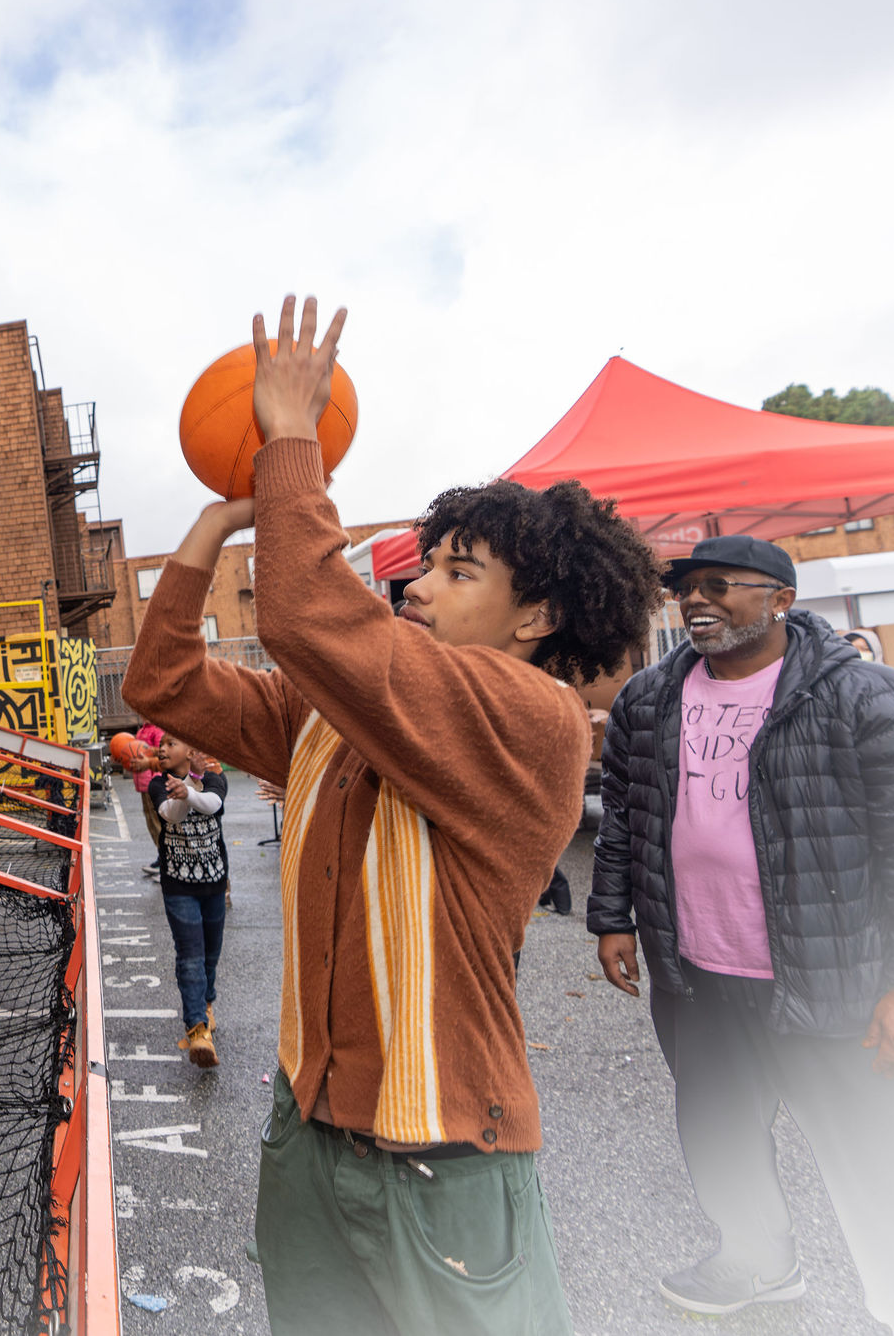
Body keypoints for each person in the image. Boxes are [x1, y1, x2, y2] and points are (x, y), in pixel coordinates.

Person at [123, 296, 663, 1336]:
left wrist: (291, 438)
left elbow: (305, 613)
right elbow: (164, 681)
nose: (419, 585)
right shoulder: (337, 714)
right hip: (308, 1134)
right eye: (427, 562)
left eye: (460, 573)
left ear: (537, 617)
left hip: (440, 1156)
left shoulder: (533, 718)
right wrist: (213, 525)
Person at [588, 534, 894, 1326]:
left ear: (781, 598)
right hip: (698, 972)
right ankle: (757, 1260)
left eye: (720, 585)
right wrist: (611, 916)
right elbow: (626, 820)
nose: (696, 599)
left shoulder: (865, 697)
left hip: (832, 976)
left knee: (877, 1154)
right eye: (687, 588)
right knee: (719, 1131)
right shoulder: (649, 698)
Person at [148, 732, 229, 1067]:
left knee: (210, 955)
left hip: (214, 884)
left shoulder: (215, 778)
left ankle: (206, 1004)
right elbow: (173, 815)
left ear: (190, 750)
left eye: (170, 744)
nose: (162, 749)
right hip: (179, 887)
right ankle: (197, 1030)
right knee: (191, 956)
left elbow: (213, 804)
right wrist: (183, 792)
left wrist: (192, 785)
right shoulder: (158, 784)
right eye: (161, 745)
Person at [131, 722, 165, 877]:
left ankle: (166, 861)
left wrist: (149, 754)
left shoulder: (158, 730)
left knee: (158, 823)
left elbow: (163, 754)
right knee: (151, 822)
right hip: (143, 783)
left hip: (154, 782)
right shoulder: (142, 730)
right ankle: (161, 856)